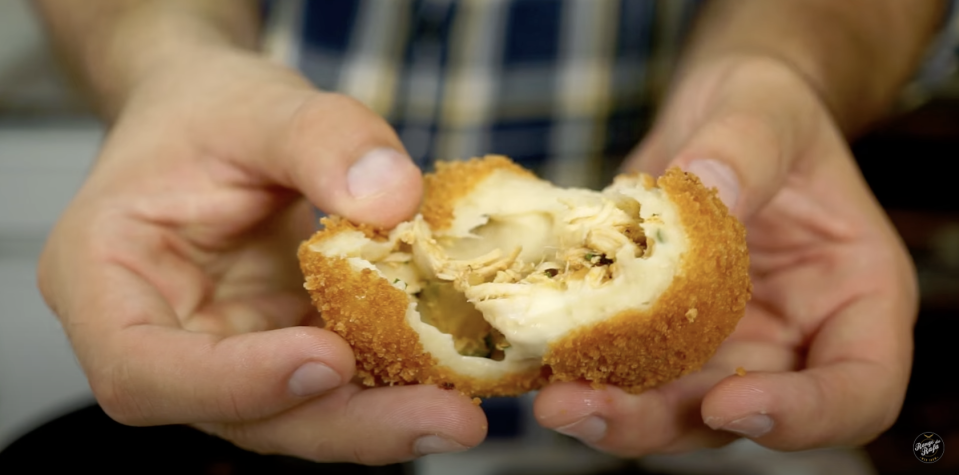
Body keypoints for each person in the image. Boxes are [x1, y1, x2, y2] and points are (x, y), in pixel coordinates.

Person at [28, 0, 952, 466]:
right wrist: (164, 58)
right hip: (253, 305)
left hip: (711, 400)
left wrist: (782, 65)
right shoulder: (345, 277)